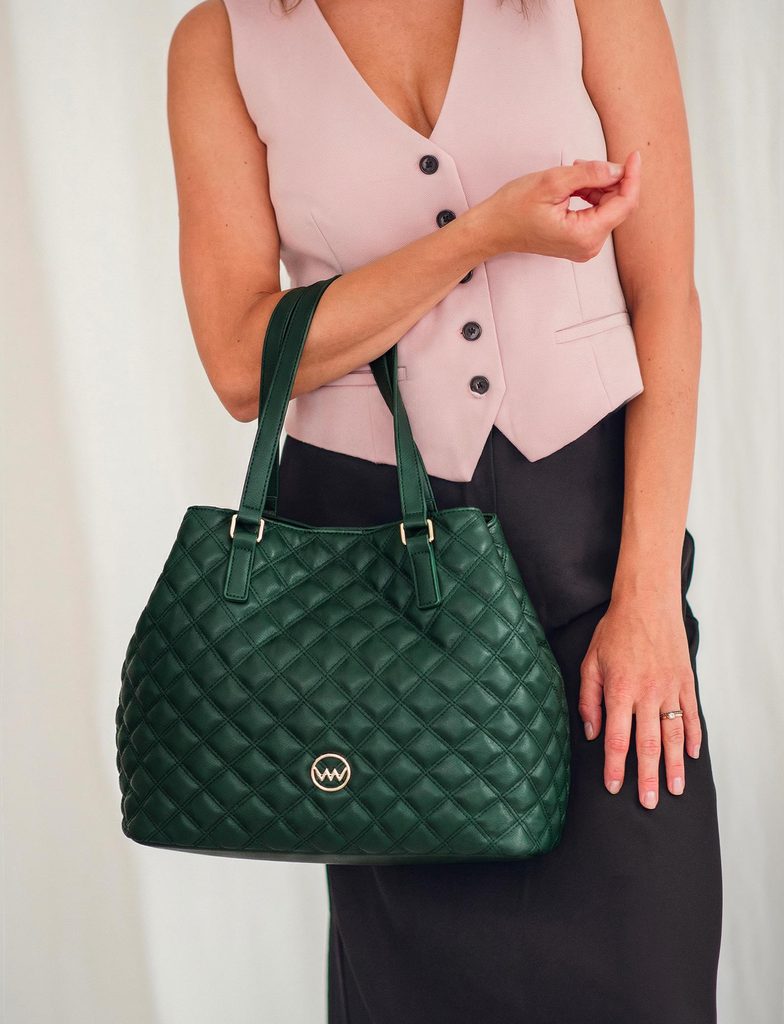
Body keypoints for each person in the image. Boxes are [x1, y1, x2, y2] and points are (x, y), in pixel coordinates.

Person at [166, 0, 723, 1020]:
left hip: (596, 559)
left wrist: (647, 601)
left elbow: (667, 297)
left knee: (648, 975)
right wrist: (478, 237)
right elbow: (244, 360)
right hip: (372, 610)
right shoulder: (223, 41)